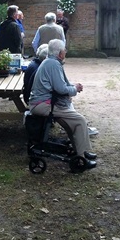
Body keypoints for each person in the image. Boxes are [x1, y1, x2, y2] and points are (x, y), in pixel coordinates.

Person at [28, 39, 97, 170]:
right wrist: (75, 89)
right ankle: (81, 157)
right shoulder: (53, 64)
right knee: (79, 120)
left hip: (42, 103)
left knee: (70, 123)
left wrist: (73, 86)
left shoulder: (50, 62)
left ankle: (80, 150)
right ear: (60, 53)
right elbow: (61, 89)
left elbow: (61, 84)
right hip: (43, 105)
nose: (65, 52)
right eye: (64, 50)